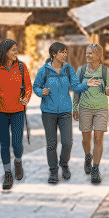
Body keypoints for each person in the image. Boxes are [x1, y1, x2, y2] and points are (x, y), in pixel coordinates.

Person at [0, 37, 31, 191]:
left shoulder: (22, 67)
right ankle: (7, 174)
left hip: (18, 110)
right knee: (4, 144)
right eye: (13, 50)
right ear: (4, 52)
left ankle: (18, 161)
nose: (15, 52)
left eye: (16, 49)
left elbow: (28, 87)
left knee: (17, 144)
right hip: (0, 111)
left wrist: (26, 98)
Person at [33, 42, 79, 184]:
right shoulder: (44, 71)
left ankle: (64, 164)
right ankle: (53, 171)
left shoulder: (68, 69)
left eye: (66, 52)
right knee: (51, 143)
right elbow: (36, 86)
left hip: (65, 111)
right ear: (54, 54)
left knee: (67, 142)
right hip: (48, 112)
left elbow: (76, 85)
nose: (65, 55)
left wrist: (86, 85)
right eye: (62, 52)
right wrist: (41, 92)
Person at [73, 43, 109, 184]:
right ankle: (87, 156)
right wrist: (75, 107)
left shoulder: (105, 72)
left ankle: (95, 169)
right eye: (87, 53)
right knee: (86, 139)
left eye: (90, 53)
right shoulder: (81, 71)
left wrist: (108, 91)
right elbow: (77, 89)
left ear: (98, 55)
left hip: (101, 108)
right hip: (85, 108)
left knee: (98, 139)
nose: (87, 55)